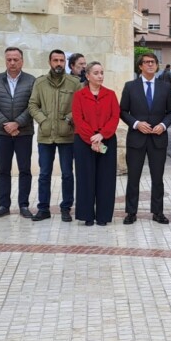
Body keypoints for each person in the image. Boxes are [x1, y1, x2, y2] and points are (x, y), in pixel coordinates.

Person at [28, 49, 83, 222]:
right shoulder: (40, 82)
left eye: (61, 60)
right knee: (44, 174)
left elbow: (80, 105)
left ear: (65, 63)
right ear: (49, 62)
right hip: (45, 135)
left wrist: (69, 118)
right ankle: (43, 208)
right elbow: (32, 105)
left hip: (67, 135)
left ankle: (66, 208)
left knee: (67, 173)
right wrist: (43, 120)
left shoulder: (74, 83)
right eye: (55, 60)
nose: (58, 63)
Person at [120, 52, 171, 224]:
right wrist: (136, 123)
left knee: (157, 177)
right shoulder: (130, 86)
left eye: (153, 62)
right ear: (140, 66)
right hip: (137, 138)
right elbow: (122, 111)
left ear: (157, 66)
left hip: (158, 139)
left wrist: (164, 125)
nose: (150, 65)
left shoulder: (165, 87)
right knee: (134, 177)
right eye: (147, 62)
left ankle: (158, 212)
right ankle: (131, 212)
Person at [0, 47, 36, 219]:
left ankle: (24, 205)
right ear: (5, 61)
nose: (12, 63)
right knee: (3, 170)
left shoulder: (31, 80)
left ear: (22, 60)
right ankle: (3, 205)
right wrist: (5, 124)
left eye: (16, 59)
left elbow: (33, 104)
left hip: (24, 132)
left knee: (25, 170)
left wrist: (17, 124)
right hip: (2, 132)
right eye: (9, 59)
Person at [72, 62, 120, 226]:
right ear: (88, 76)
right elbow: (78, 119)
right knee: (85, 178)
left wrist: (102, 135)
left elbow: (114, 117)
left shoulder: (110, 94)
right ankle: (87, 215)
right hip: (84, 142)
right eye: (96, 73)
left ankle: (103, 216)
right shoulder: (79, 95)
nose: (100, 76)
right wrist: (92, 138)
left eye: (102, 73)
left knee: (106, 179)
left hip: (106, 140)